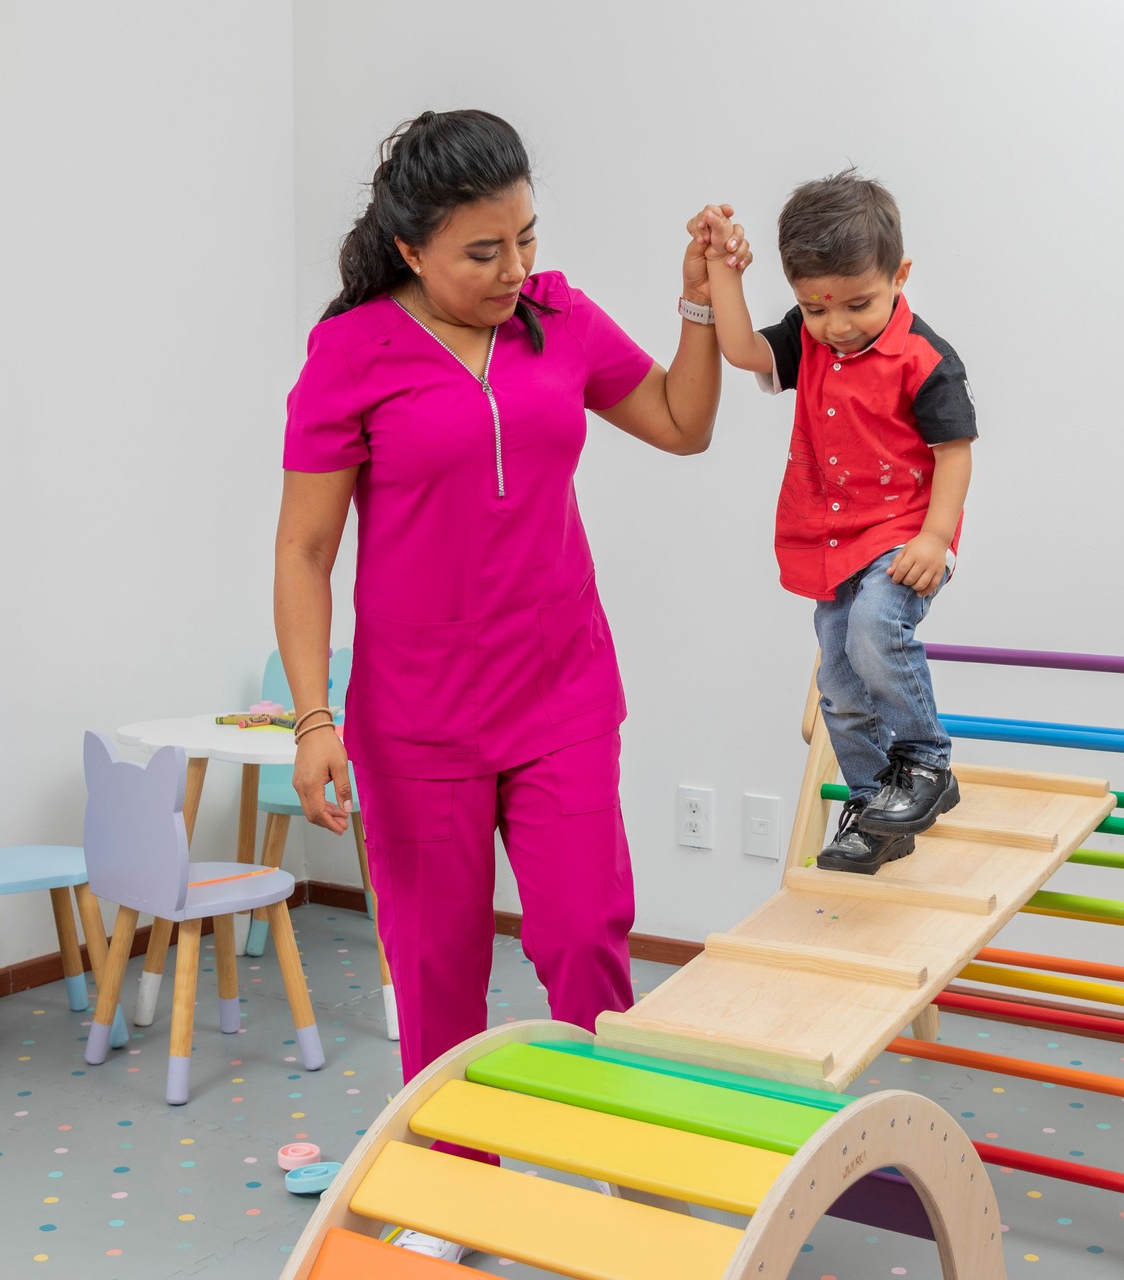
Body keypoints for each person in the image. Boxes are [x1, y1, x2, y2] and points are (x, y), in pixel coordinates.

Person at [273, 109, 748, 1262]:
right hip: (415, 719)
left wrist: (694, 301)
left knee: (585, 933)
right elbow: (303, 551)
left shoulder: (560, 319)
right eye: (484, 251)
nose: (514, 270)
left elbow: (684, 425)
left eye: (525, 239)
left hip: (560, 691)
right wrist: (312, 717)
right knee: (435, 970)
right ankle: (450, 1189)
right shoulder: (351, 355)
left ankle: (608, 1157)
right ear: (411, 251)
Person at [697, 170, 977, 873]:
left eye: (859, 303)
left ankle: (925, 763)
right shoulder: (812, 338)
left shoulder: (925, 359)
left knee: (874, 629)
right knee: (840, 687)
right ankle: (872, 801)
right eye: (816, 309)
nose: (837, 325)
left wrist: (936, 539)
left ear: (899, 276)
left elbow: (955, 451)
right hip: (832, 540)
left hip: (902, 538)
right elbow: (742, 352)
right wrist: (721, 272)